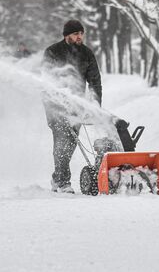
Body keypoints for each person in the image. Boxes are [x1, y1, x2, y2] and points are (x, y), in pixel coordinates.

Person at [42, 19, 102, 193]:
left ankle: (56, 177)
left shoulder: (87, 53)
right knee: (61, 140)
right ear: (67, 35)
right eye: (76, 34)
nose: (79, 37)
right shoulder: (52, 52)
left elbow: (95, 82)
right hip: (54, 104)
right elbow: (47, 78)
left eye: (81, 33)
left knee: (71, 143)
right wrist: (60, 94)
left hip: (76, 104)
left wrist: (95, 104)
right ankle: (63, 182)